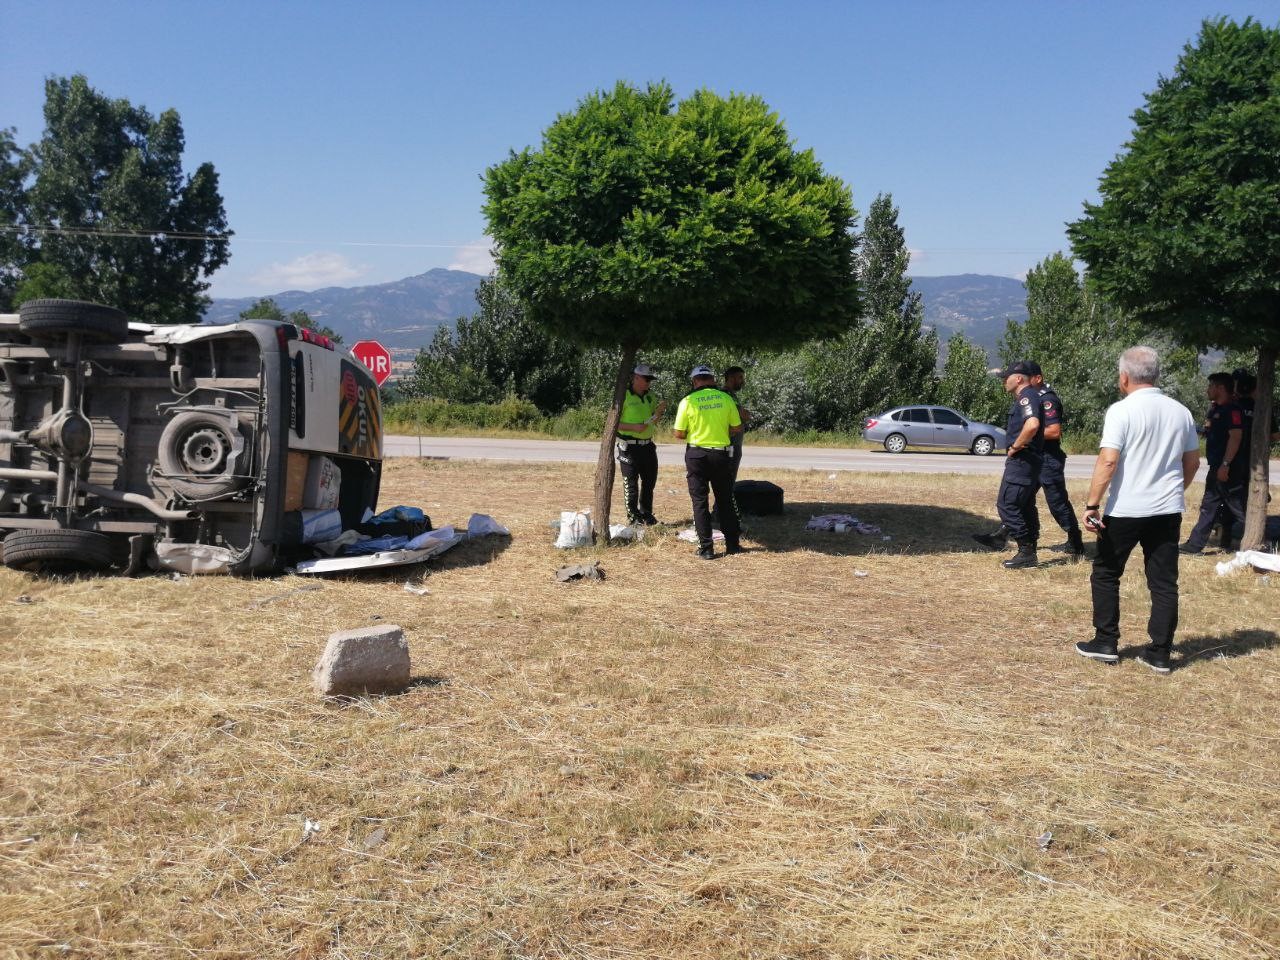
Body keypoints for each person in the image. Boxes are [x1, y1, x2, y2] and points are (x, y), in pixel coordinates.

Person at [1076, 346, 1199, 674]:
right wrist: (1175, 491)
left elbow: (1108, 459)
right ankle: (1160, 652)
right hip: (1167, 509)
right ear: (1156, 374)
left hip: (1127, 508)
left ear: (1124, 376)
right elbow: (1192, 462)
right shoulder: (1181, 412)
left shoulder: (1122, 411)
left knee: (1106, 572)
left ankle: (1105, 641)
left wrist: (1091, 505)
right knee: (1163, 582)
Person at [971, 360, 1044, 569]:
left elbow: (1032, 425)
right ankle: (1028, 550)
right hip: (1028, 462)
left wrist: (1015, 447)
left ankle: (1026, 551)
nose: (1003, 380)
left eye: (1006, 377)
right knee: (1024, 505)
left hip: (1022, 460)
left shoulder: (1026, 397)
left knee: (1008, 504)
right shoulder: (1028, 396)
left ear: (1019, 378)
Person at [673, 365, 742, 559]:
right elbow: (736, 427)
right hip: (721, 455)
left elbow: (678, 433)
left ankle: (706, 548)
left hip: (697, 455)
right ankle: (733, 545)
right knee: (725, 499)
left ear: (695, 381)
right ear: (712, 379)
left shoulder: (687, 401)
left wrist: (694, 432)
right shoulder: (726, 398)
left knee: (700, 501)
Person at [1180, 372, 1245, 554]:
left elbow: (1236, 437)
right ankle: (1194, 545)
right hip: (1216, 466)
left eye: (1211, 386)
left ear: (1220, 388)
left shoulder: (1233, 410)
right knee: (1209, 505)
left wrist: (1226, 464)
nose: (1208, 390)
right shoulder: (1216, 410)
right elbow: (1211, 432)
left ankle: (1256, 543)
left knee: (1238, 507)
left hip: (1228, 468)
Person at [1028, 362, 1085, 559]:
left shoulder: (1047, 399)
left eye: (1027, 377)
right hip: (1035, 457)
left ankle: (1075, 541)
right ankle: (1003, 535)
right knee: (1021, 497)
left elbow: (1054, 431)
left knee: (1057, 502)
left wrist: (1027, 434)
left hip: (1048, 459)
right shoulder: (1032, 398)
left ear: (1038, 378)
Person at [615, 363, 667, 526]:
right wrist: (633, 427)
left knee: (649, 481)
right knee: (631, 484)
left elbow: (653, 420)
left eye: (650, 380)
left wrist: (659, 413)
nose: (648, 383)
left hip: (647, 445)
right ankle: (633, 516)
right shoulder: (623, 396)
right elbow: (612, 423)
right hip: (629, 446)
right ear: (636, 378)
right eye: (646, 379)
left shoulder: (650, 396)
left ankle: (646, 514)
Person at [720, 365, 751, 528]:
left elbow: (744, 414)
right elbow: (744, 415)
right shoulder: (726, 395)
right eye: (740, 378)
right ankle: (723, 513)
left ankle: (721, 511)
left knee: (728, 482)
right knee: (727, 482)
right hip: (730, 446)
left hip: (735, 445)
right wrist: (744, 414)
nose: (742, 381)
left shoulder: (731, 395)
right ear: (731, 378)